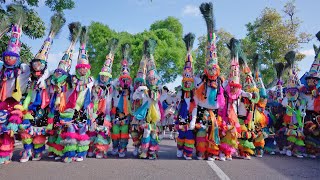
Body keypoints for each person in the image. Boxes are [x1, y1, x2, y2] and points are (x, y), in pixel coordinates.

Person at [20, 13, 65, 162]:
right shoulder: (28, 74)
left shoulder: (48, 78)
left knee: (39, 131)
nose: (37, 65)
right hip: (28, 105)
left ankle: (38, 151)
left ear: (45, 65)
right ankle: (27, 150)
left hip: (43, 108)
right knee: (25, 127)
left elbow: (58, 85)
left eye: (40, 64)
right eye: (35, 63)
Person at [194, 2, 225, 161]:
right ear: (207, 70)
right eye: (210, 69)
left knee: (214, 129)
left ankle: (212, 153)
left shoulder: (221, 81)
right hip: (202, 108)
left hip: (216, 109)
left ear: (217, 70)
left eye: (215, 69)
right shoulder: (201, 80)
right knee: (201, 130)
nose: (212, 71)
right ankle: (200, 151)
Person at [46, 22, 81, 161]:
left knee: (67, 131)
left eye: (63, 72)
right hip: (54, 110)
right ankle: (56, 151)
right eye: (58, 71)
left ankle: (68, 153)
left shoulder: (70, 82)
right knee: (56, 131)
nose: (59, 74)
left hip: (67, 110)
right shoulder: (51, 81)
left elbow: (80, 85)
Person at [61, 26, 93, 163]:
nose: (83, 71)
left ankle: (81, 153)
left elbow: (93, 94)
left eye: (85, 68)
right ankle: (70, 153)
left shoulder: (91, 80)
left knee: (81, 132)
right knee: (71, 133)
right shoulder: (72, 79)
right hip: (71, 109)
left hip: (84, 110)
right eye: (81, 68)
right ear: (78, 69)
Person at [90, 38, 118, 158]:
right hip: (95, 110)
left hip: (106, 111)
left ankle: (101, 149)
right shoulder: (95, 84)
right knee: (92, 128)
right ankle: (90, 147)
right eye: (103, 76)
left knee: (104, 130)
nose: (104, 78)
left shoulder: (112, 86)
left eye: (106, 77)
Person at [174, 33, 197, 160]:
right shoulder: (180, 93)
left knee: (189, 135)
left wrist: (193, 119)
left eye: (190, 82)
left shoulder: (195, 94)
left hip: (190, 116)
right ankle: (179, 149)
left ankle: (187, 152)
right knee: (182, 133)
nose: (188, 83)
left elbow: (195, 107)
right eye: (185, 82)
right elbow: (176, 102)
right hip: (182, 116)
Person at [299, 31, 320, 158]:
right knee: (307, 130)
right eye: (310, 80)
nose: (311, 81)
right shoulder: (303, 90)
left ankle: (314, 150)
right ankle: (307, 150)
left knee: (315, 132)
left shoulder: (318, 91)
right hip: (305, 113)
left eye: (314, 80)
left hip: (316, 114)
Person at [111, 44, 133, 158]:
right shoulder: (116, 86)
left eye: (126, 78)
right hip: (116, 111)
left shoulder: (131, 89)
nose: (124, 80)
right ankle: (115, 146)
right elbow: (111, 84)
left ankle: (122, 149)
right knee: (115, 130)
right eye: (122, 76)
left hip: (126, 113)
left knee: (124, 131)